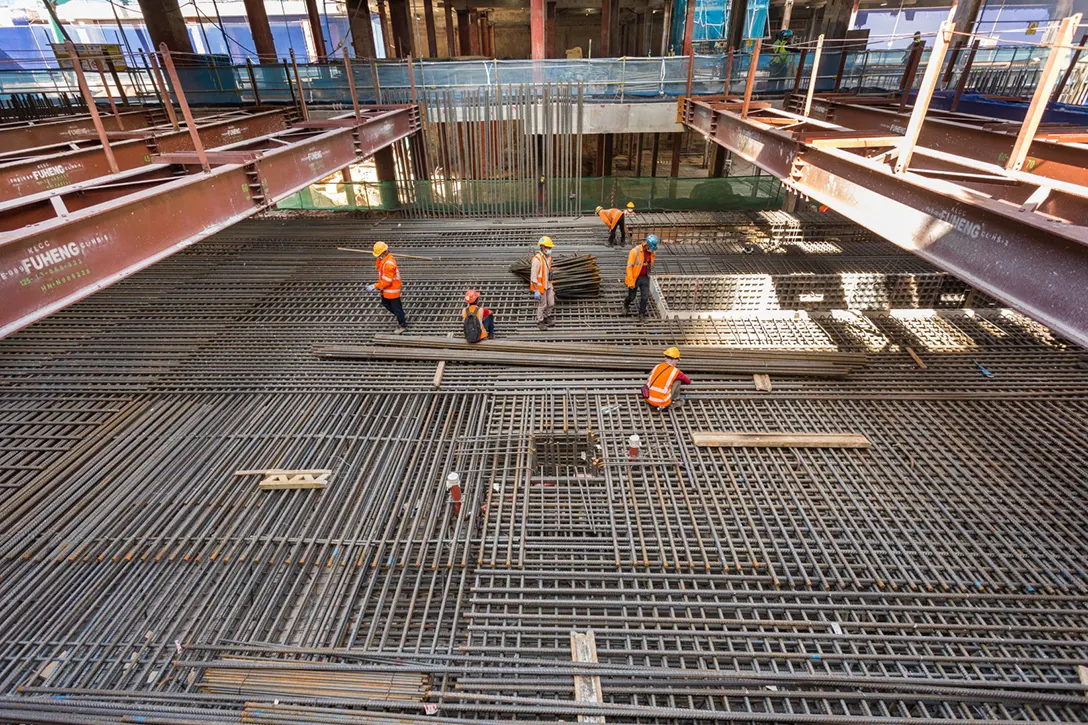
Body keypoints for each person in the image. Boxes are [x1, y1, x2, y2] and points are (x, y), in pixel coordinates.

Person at [368, 241, 407, 333]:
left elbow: (386, 282)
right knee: (386, 304)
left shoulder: (389, 264)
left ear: (384, 252)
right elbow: (379, 267)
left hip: (392, 290)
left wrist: (375, 286)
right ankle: (401, 315)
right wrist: (378, 258)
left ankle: (403, 325)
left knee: (397, 308)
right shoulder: (384, 260)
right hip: (386, 290)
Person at [624, 234, 658, 320]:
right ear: (646, 245)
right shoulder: (634, 252)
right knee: (632, 297)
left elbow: (650, 262)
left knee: (645, 297)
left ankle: (641, 314)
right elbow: (629, 267)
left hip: (645, 276)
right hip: (635, 277)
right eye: (650, 247)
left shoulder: (652, 252)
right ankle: (625, 305)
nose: (651, 250)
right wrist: (631, 281)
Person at [530, 236, 556, 330]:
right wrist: (536, 290)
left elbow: (549, 270)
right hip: (540, 287)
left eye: (550, 248)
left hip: (548, 284)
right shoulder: (536, 260)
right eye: (548, 247)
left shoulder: (549, 257)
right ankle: (540, 321)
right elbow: (533, 278)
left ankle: (547, 316)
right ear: (542, 247)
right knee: (543, 305)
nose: (549, 249)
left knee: (551, 303)